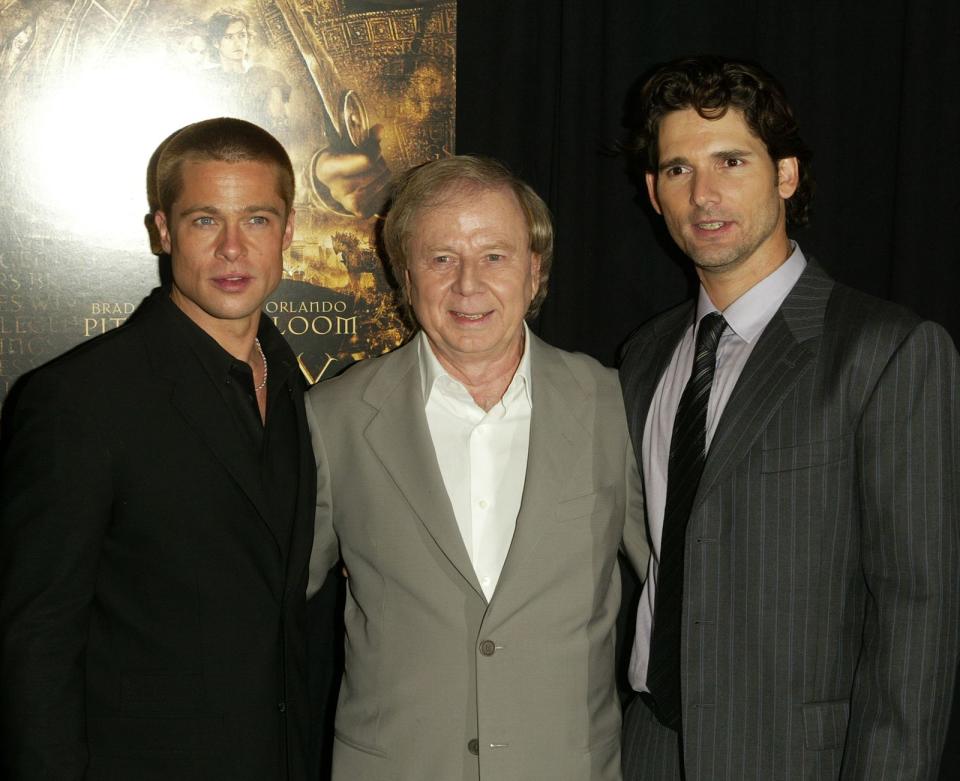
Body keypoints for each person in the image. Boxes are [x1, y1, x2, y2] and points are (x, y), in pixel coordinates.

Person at [618, 55, 960, 780]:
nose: (703, 194)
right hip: (647, 743)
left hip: (798, 759)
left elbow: (920, 612)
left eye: (731, 160)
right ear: (653, 192)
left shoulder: (885, 350)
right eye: (678, 170)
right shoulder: (646, 356)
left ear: (786, 175)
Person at [305, 155, 648, 780]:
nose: (468, 284)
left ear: (534, 270)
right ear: (404, 275)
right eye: (441, 258)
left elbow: (674, 583)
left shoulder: (611, 405)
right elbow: (262, 598)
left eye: (495, 255)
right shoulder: (334, 419)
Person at [0, 118, 317, 780]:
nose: (233, 248)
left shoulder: (302, 392)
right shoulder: (79, 398)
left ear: (287, 233)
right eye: (206, 221)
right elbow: (35, 640)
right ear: (163, 231)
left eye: (256, 220)